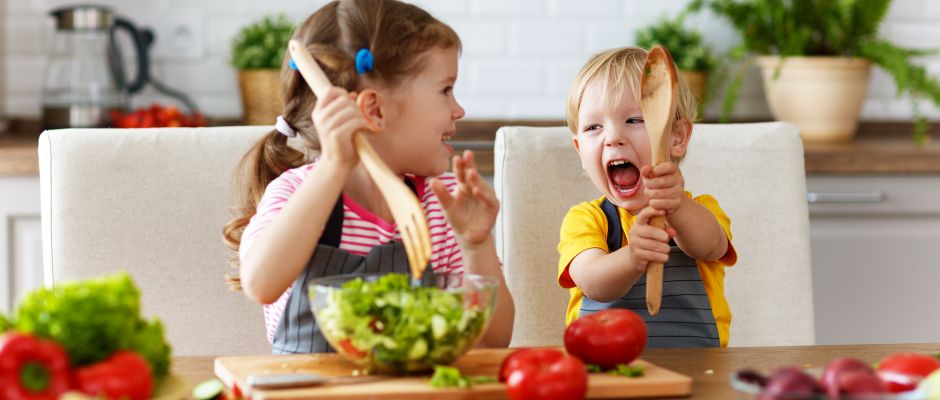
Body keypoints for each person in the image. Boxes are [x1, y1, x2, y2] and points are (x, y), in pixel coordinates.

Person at [223, 0, 514, 354]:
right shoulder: (296, 191)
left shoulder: (444, 204)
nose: (459, 109)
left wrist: (476, 243)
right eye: (446, 90)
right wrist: (332, 167)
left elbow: (494, 340)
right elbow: (260, 284)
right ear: (374, 110)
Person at [558, 47, 737, 348]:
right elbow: (592, 282)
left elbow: (710, 246)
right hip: (605, 368)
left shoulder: (701, 209)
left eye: (635, 120)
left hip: (698, 366)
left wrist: (676, 204)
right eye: (594, 127)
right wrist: (633, 257)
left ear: (677, 137)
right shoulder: (586, 219)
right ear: (579, 151)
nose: (613, 137)